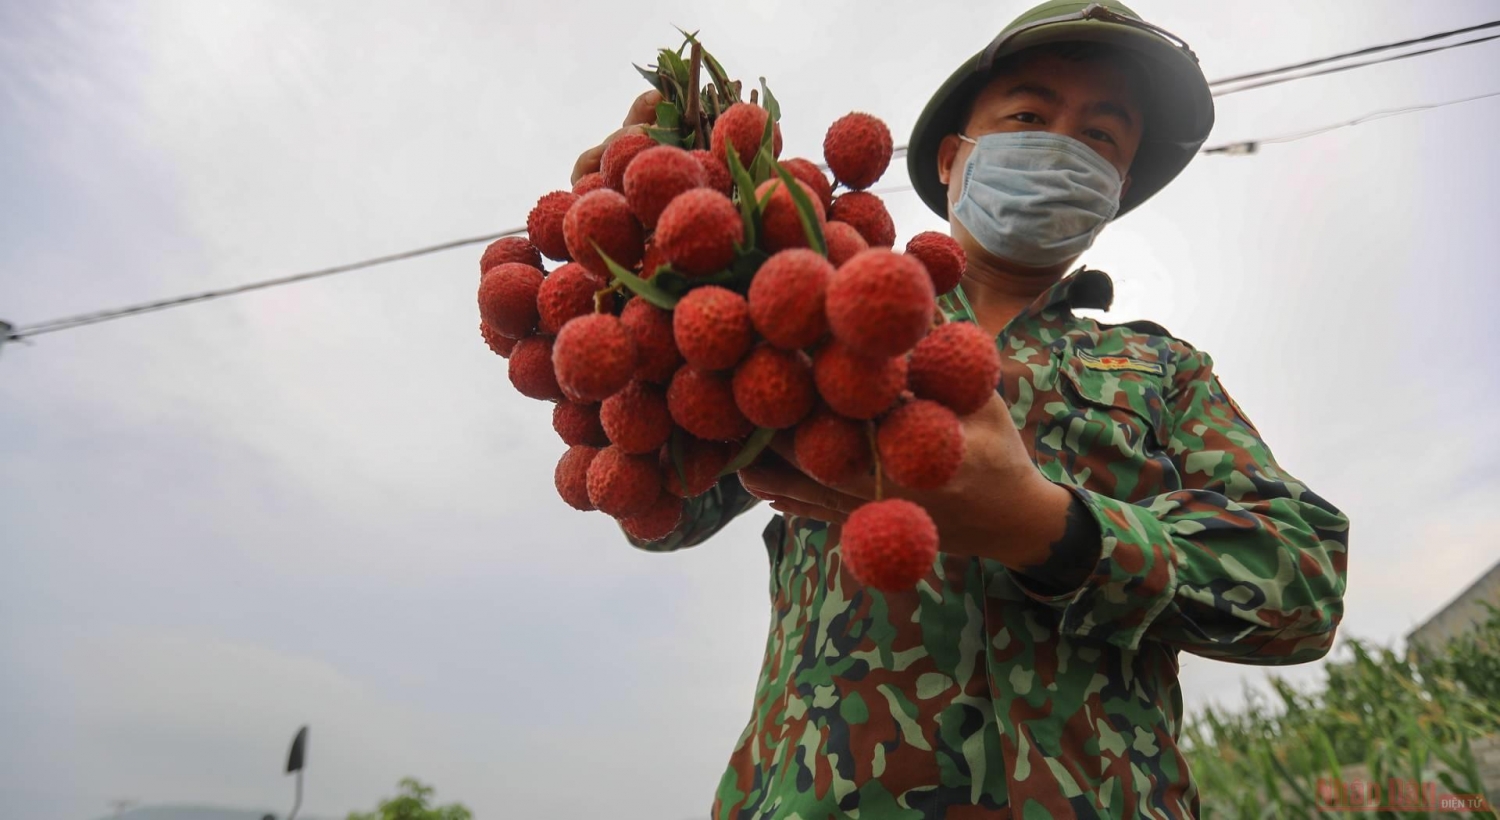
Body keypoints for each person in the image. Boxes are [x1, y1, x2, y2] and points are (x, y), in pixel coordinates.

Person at [572, 1, 1349, 817]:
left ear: (1115, 189)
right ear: (952, 156)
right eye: (1028, 113)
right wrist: (655, 271)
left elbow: (1304, 583)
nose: (1060, 144)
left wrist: (1053, 531)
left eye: (1101, 137)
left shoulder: (1162, 369)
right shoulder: (816, 312)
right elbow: (660, 504)